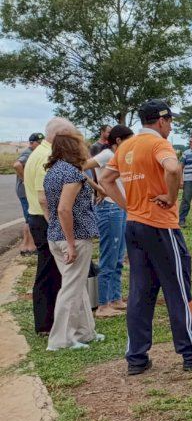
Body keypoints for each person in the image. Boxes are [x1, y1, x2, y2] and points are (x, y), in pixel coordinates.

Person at [100, 99, 192, 375]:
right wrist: (169, 196)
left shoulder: (126, 146)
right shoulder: (159, 144)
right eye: (170, 122)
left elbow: (107, 179)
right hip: (160, 225)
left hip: (134, 225)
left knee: (140, 292)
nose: (171, 127)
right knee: (178, 287)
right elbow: (172, 168)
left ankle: (136, 358)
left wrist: (128, 206)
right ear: (161, 121)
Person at [43, 131, 104, 351]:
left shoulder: (54, 171)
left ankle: (85, 331)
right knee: (71, 288)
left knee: (76, 286)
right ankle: (61, 340)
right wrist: (70, 243)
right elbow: (63, 209)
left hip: (56, 236)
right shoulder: (71, 174)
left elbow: (47, 202)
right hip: (74, 238)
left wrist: (97, 188)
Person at [24, 117, 74, 335]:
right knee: (49, 272)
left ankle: (50, 320)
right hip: (45, 220)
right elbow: (45, 198)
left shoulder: (40, 153)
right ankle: (46, 323)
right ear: (59, 135)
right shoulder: (47, 156)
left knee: (51, 271)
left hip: (39, 218)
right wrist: (57, 226)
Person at [83, 125, 134, 318]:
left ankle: (115, 298)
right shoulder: (106, 155)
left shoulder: (124, 156)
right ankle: (103, 304)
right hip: (109, 209)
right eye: (129, 139)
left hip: (119, 209)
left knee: (119, 256)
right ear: (119, 141)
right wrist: (98, 188)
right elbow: (81, 169)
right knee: (109, 257)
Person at [13, 133, 43, 256]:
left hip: (26, 191)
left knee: (29, 218)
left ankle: (27, 246)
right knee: (30, 218)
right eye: (39, 142)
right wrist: (26, 179)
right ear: (32, 143)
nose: (41, 144)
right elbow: (17, 165)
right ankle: (29, 246)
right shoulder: (28, 153)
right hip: (25, 192)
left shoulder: (33, 153)